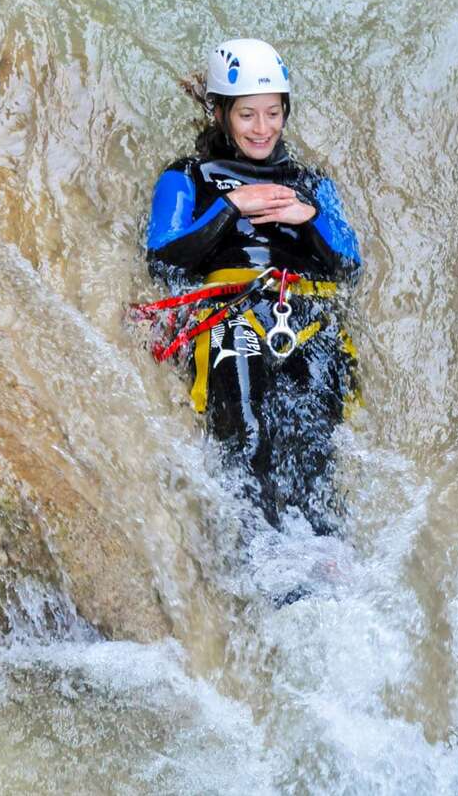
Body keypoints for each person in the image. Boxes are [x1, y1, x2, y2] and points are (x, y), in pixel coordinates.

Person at [145, 38, 362, 536]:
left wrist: (308, 221)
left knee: (316, 447)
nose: (262, 129)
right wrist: (230, 209)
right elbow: (164, 256)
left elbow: (349, 266)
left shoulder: (311, 183)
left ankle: (329, 560)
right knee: (247, 436)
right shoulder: (189, 176)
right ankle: (256, 557)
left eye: (273, 113)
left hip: (307, 317)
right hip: (231, 315)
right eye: (247, 116)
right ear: (221, 113)